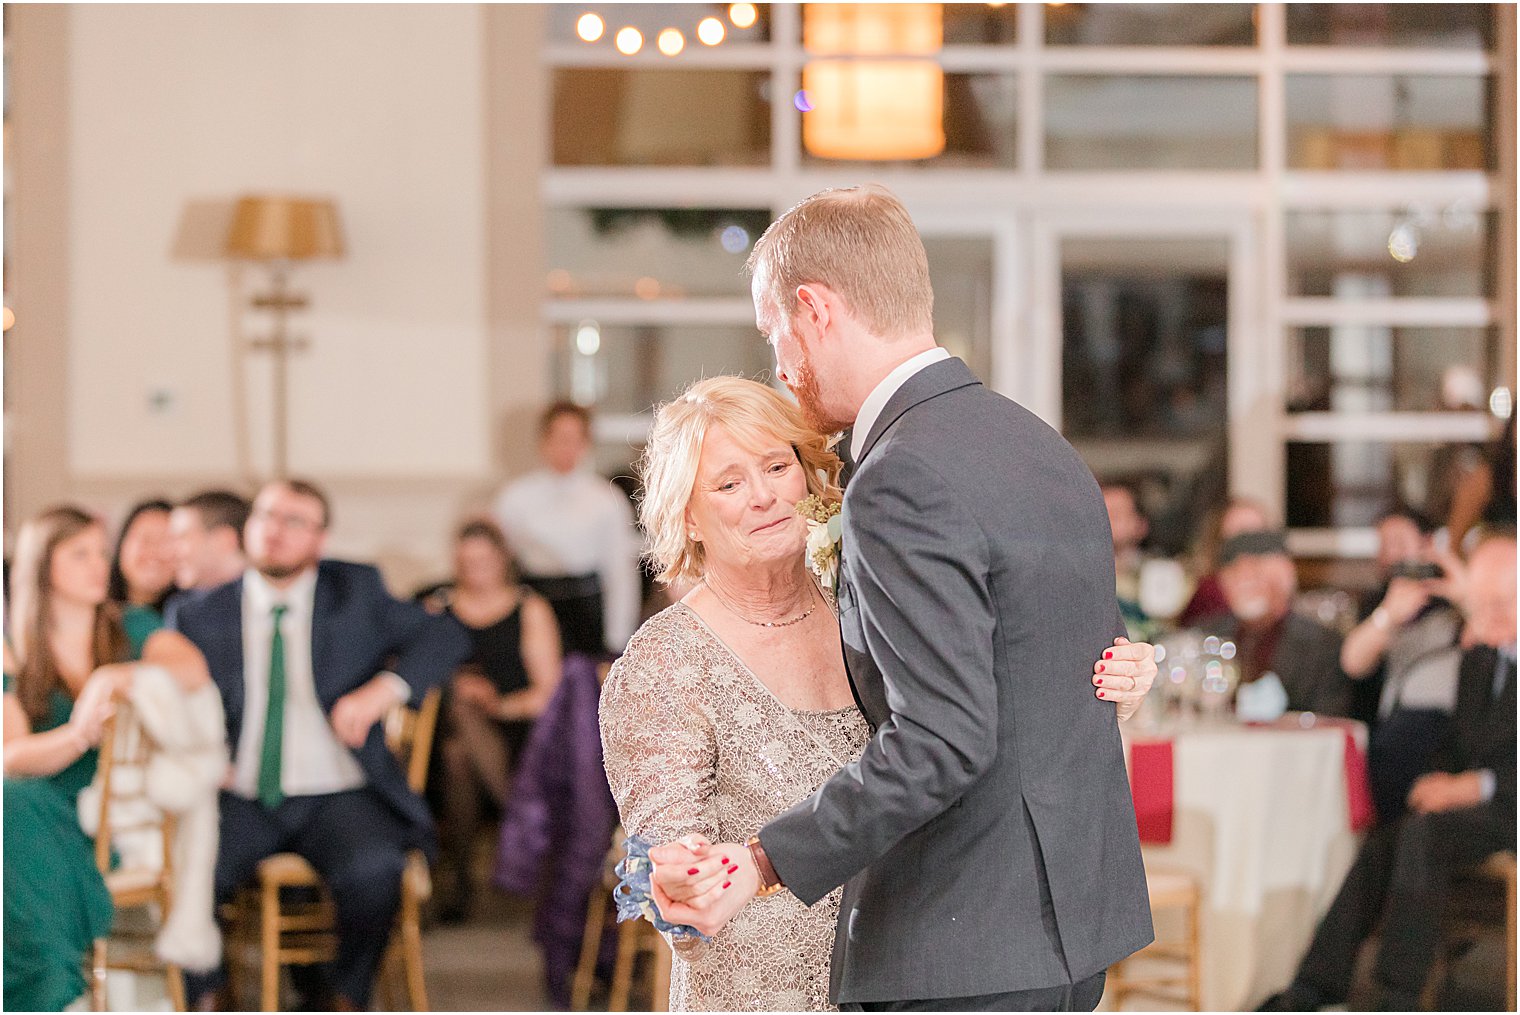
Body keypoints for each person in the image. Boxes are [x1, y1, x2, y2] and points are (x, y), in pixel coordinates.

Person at [625, 185, 1158, 1012]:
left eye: (776, 336)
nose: (781, 365)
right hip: (1062, 930)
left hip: (957, 941)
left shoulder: (899, 477)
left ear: (814, 310)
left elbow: (947, 735)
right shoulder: (1039, 444)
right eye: (729, 480)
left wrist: (761, 861)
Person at [171, 479, 470, 1010]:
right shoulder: (199, 615)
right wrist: (198, 749)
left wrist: (384, 691)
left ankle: (337, 997)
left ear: (320, 539)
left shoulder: (355, 593)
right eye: (266, 516)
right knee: (185, 870)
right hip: (238, 794)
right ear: (247, 527)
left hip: (340, 790)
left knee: (376, 874)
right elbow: (167, 696)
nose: (276, 531)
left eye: (295, 521)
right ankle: (211, 996)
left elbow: (445, 635)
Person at [1260, 531, 1517, 1011]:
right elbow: (1464, 742)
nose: (1490, 614)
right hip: (1488, 806)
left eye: (1502, 602)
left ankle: (1393, 998)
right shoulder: (1482, 653)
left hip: (1509, 803)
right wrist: (1441, 780)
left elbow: (1488, 768)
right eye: (1482, 603)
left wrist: (1474, 785)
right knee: (1385, 842)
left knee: (1426, 835)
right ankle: (1310, 991)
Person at [4, 505, 210, 1011]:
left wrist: (114, 676)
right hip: (38, 807)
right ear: (42, 565)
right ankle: (49, 984)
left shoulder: (130, 628)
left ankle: (48, 992)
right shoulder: (13, 648)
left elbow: (191, 668)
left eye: (101, 552)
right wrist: (76, 735)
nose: (100, 565)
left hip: (112, 822)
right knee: (12, 805)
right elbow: (10, 754)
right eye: (80, 555)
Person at [422, 518, 562, 923]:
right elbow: (416, 679)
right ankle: (524, 821)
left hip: (518, 734)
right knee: (454, 743)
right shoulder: (438, 607)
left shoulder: (528, 607)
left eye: (483, 561)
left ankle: (460, 884)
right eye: (467, 563)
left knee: (459, 754)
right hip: (444, 734)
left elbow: (548, 694)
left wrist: (495, 705)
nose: (475, 571)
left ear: (503, 560)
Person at [492, 402, 641, 658]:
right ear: (543, 440)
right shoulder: (514, 497)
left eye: (574, 439)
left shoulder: (606, 498)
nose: (566, 447)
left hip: (587, 605)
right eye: (559, 438)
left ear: (586, 443)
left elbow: (619, 572)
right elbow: (499, 563)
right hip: (535, 600)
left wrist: (618, 639)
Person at [1199, 530, 1352, 716]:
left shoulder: (1322, 646)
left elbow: (1330, 721)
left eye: (1256, 571)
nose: (1244, 581)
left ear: (1283, 576)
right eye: (1234, 573)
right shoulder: (1204, 637)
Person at [1177, 495, 1272, 627]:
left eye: (1258, 535)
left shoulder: (1274, 588)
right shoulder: (1210, 592)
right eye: (1241, 536)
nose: (1250, 543)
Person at [167, 489, 251, 609]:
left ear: (224, 540)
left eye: (182, 538)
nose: (170, 552)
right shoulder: (182, 609)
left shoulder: (270, 603)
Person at [108, 497, 178, 622]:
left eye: (166, 542)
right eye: (146, 539)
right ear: (121, 544)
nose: (154, 552)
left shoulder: (195, 622)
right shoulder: (94, 615)